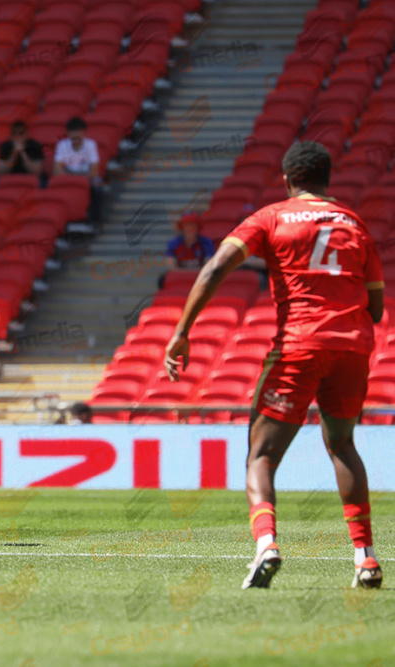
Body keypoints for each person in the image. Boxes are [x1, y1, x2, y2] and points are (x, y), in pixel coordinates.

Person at [163, 141, 384, 590]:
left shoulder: (272, 216)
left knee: (261, 455)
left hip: (299, 345)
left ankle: (266, 545)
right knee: (342, 445)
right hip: (354, 347)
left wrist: (182, 330)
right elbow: (377, 306)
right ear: (327, 178)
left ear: (287, 180)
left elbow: (213, 270)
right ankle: (366, 558)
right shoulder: (354, 223)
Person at [53, 117, 104, 222]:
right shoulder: (62, 145)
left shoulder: (90, 144)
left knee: (98, 186)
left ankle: (94, 220)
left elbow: (94, 168)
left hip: (86, 175)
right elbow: (57, 169)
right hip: (68, 174)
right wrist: (69, 180)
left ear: (84, 133)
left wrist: (83, 180)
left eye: (78, 133)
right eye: (73, 133)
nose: (76, 137)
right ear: (68, 133)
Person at [159, 211, 216, 288]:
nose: (190, 229)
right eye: (187, 225)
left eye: (192, 225)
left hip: (200, 279)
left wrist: (186, 272)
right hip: (181, 279)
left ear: (197, 227)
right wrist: (190, 272)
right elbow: (170, 267)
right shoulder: (173, 243)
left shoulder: (206, 242)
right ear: (182, 227)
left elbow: (209, 266)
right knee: (162, 279)